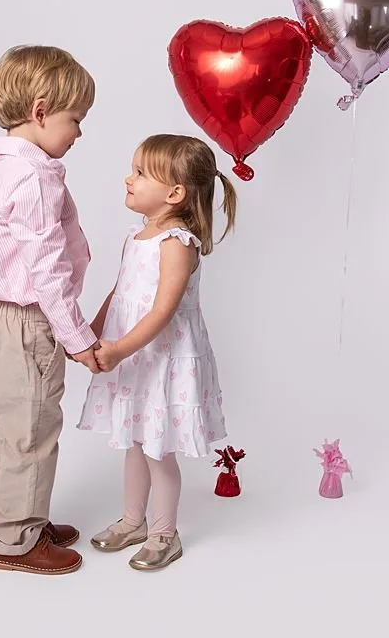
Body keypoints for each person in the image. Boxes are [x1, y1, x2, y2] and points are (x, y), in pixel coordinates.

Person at [0, 45, 101, 575]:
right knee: (31, 430)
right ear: (41, 111)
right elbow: (46, 267)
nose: (79, 133)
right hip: (27, 322)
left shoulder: (3, 169)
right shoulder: (36, 177)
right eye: (76, 119)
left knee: (24, 423)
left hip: (0, 321)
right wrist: (77, 336)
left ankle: (28, 517)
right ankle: (14, 541)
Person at [77, 133, 237, 571]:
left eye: (140, 172)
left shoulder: (176, 243)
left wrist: (121, 349)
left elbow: (163, 310)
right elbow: (121, 290)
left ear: (174, 193)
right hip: (136, 356)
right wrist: (92, 332)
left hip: (161, 358)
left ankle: (165, 533)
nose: (128, 178)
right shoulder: (138, 236)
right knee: (134, 440)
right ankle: (133, 521)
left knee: (157, 448)